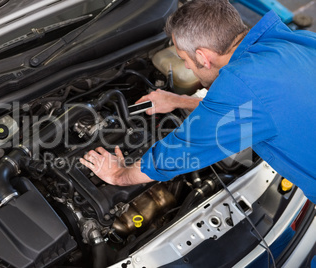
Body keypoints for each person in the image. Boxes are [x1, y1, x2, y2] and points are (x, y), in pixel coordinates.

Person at [79, 0, 316, 204]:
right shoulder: (297, 41)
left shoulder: (239, 83)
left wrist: (119, 174)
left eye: (185, 59)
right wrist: (178, 100)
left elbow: (178, 154)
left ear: (202, 56)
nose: (187, 67)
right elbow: (253, 108)